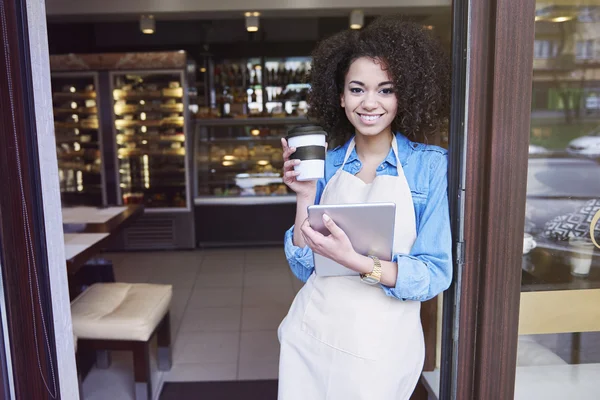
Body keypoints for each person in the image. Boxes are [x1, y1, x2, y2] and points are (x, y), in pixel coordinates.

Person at [277, 15, 453, 400]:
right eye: (357, 90)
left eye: (385, 90)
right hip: (311, 335)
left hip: (382, 349)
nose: (369, 103)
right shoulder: (325, 163)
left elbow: (435, 274)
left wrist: (357, 261)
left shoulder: (430, 167)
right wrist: (305, 195)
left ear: (403, 96)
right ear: (340, 97)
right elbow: (303, 266)